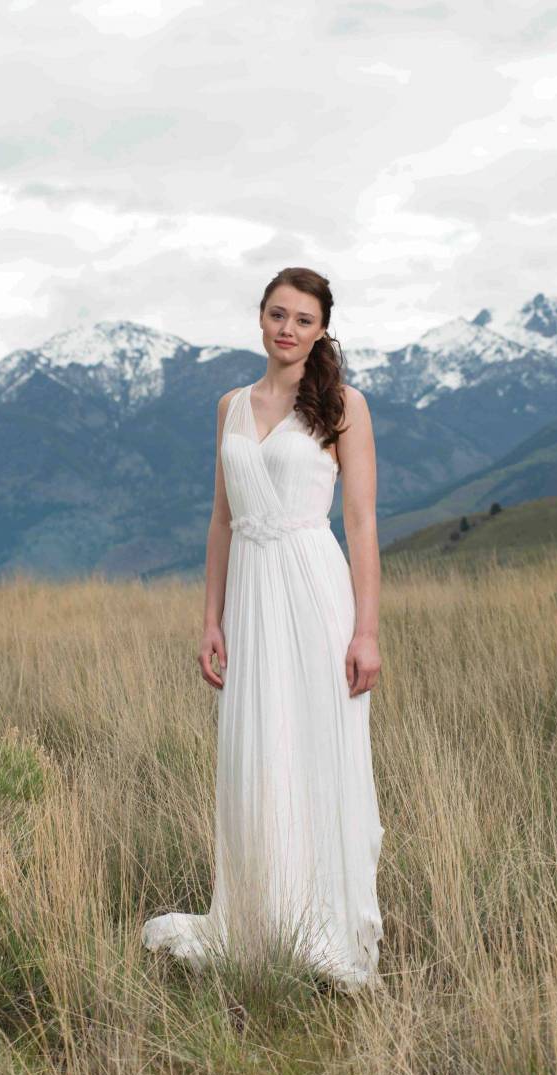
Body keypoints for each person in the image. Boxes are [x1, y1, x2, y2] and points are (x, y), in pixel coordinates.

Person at [142, 266, 385, 992]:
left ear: (321, 329)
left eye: (303, 319)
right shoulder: (230, 406)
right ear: (260, 318)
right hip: (250, 592)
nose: (288, 328)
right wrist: (210, 618)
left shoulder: (344, 405)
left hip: (315, 589)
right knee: (258, 752)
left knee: (314, 747)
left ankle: (319, 926)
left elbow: (364, 522)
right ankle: (260, 921)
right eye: (278, 314)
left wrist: (365, 630)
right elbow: (221, 519)